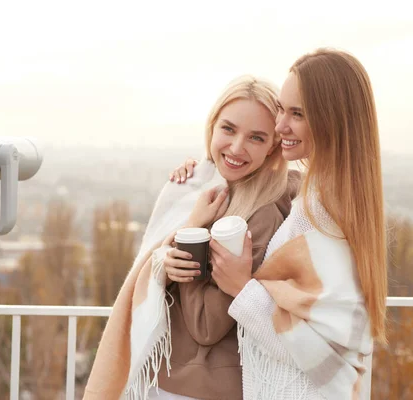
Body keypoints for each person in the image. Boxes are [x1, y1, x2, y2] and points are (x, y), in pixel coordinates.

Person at [170, 48, 387, 399]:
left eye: (296, 114)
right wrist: (201, 172)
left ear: (331, 119)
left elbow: (323, 358)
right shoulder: (316, 199)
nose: (280, 125)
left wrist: (243, 288)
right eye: (282, 110)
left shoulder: (327, 217)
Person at [84, 75, 298, 400]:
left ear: (272, 147)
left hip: (205, 388)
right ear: (212, 127)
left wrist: (190, 238)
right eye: (228, 129)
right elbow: (150, 260)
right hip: (165, 377)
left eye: (256, 137)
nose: (237, 147)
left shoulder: (261, 214)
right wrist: (166, 257)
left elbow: (207, 327)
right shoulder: (202, 188)